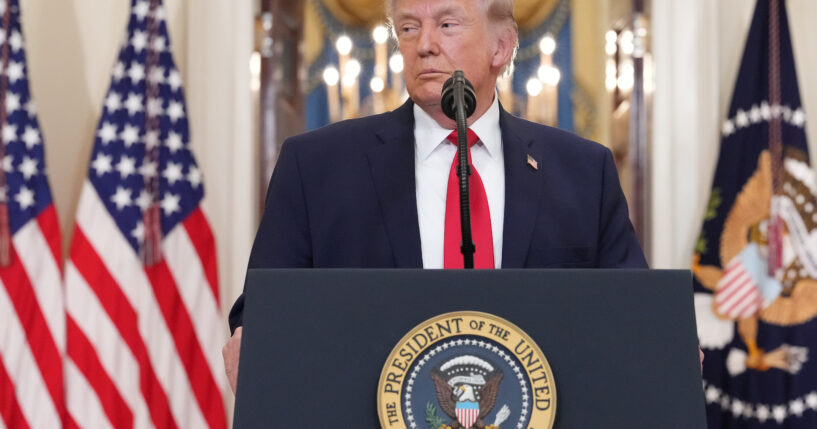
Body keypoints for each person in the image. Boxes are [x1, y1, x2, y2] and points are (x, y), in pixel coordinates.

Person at [222, 0, 649, 393]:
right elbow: (262, 313)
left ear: (501, 46)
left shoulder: (582, 171)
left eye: (446, 25)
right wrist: (254, 343)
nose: (424, 45)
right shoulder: (315, 167)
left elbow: (632, 315)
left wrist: (661, 343)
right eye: (408, 28)